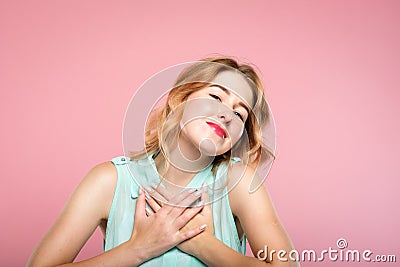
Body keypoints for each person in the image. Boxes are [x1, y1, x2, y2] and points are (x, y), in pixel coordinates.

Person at [28, 57, 299, 266]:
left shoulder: (239, 184)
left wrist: (203, 245)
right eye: (216, 96)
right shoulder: (109, 181)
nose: (226, 114)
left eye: (240, 114)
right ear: (179, 99)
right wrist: (137, 250)